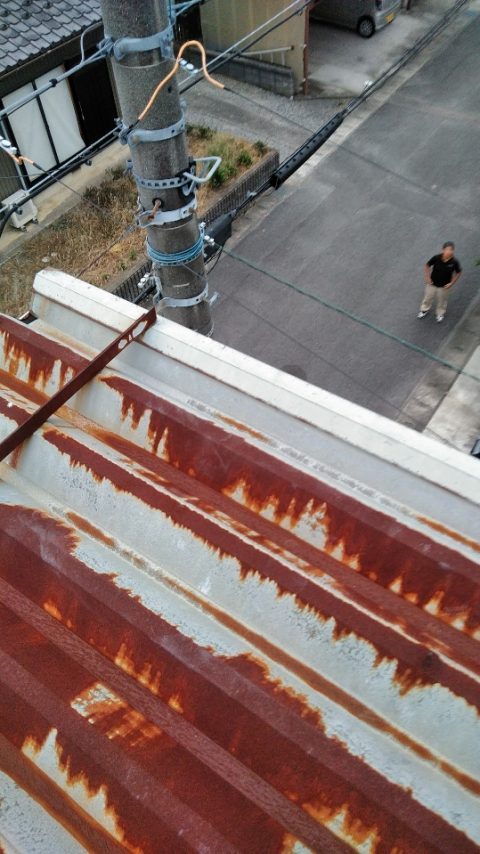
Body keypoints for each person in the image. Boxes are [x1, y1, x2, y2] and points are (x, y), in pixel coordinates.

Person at [417, 242, 462, 323]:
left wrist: (451, 283)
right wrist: (427, 277)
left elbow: (458, 272)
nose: (449, 252)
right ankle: (424, 310)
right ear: (443, 250)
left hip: (444, 286)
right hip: (432, 284)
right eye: (447, 250)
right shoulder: (436, 258)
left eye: (451, 250)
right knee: (428, 297)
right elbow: (427, 265)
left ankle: (440, 313)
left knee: (442, 300)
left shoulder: (454, 262)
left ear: (453, 251)